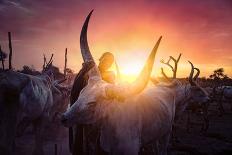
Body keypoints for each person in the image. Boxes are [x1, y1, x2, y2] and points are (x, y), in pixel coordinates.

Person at [69, 52, 116, 155]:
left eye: (110, 61)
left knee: (99, 141)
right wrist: (83, 71)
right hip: (84, 109)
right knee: (81, 138)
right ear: (101, 58)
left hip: (100, 113)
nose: (107, 62)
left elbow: (111, 90)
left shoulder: (110, 75)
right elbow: (77, 89)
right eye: (106, 59)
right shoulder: (90, 70)